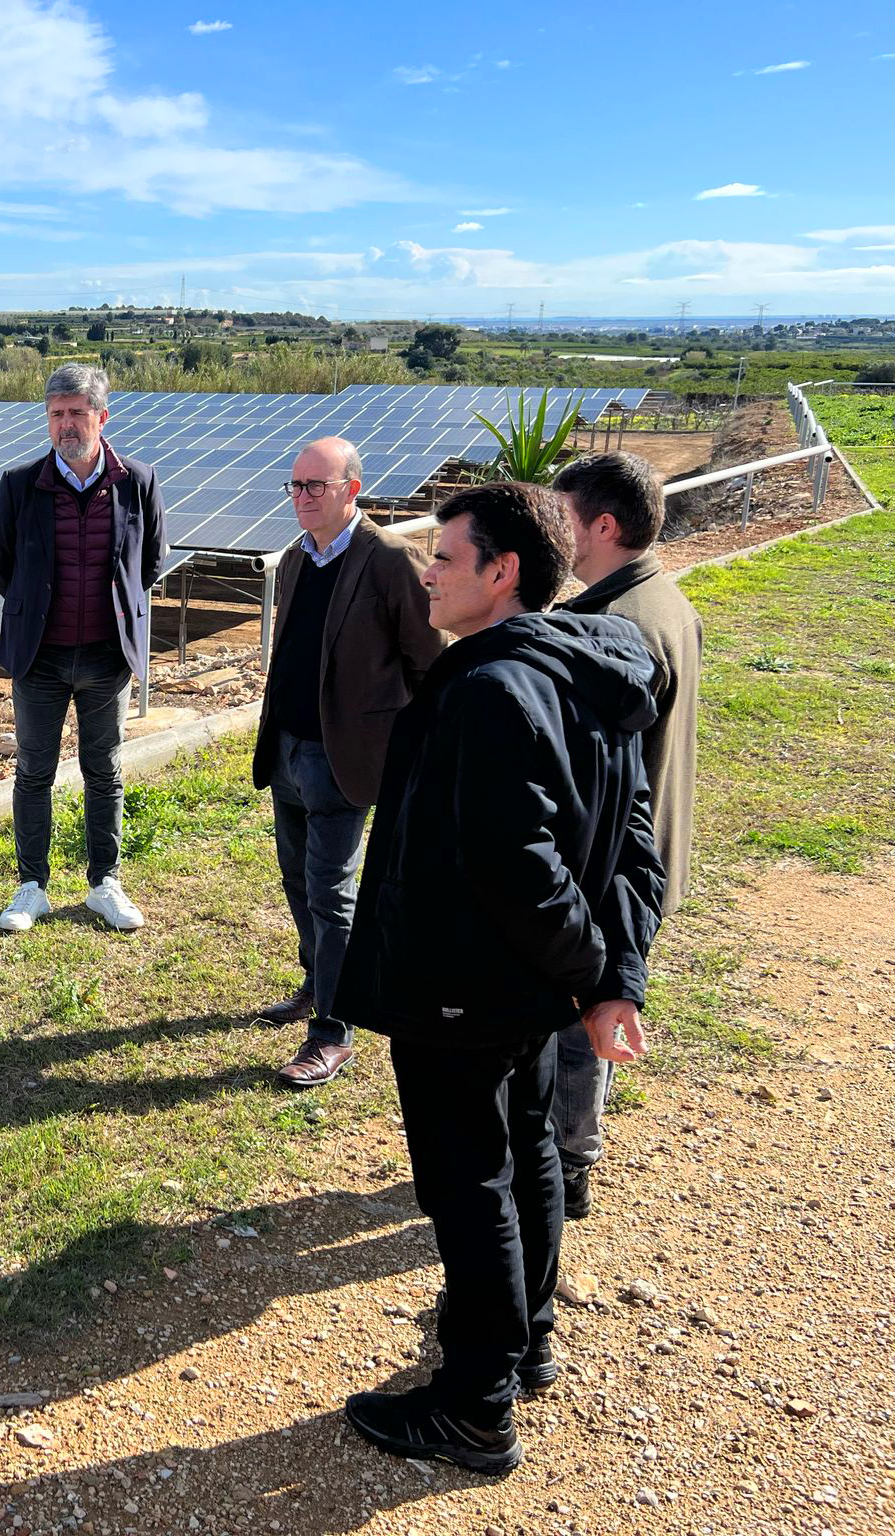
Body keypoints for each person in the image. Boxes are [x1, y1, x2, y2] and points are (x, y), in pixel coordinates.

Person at [333, 481, 665, 1474]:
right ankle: (525, 1349)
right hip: (527, 989)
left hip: (463, 987)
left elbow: (522, 870)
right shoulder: (592, 666)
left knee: (468, 1182)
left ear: (499, 572)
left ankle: (474, 1404)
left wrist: (598, 977)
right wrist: (607, 982)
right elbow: (632, 854)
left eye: (442, 557)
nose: (425, 574)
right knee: (524, 1155)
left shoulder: (487, 689)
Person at [250, 436, 445, 1088]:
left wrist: (407, 746)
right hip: (288, 750)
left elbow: (430, 662)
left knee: (333, 895)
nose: (302, 498)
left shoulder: (388, 560)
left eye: (316, 487)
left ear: (351, 490)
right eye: (296, 486)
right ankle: (318, 982)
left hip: (345, 758)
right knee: (298, 881)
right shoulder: (296, 557)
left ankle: (332, 1032)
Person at [550, 452, 703, 1220]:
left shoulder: (606, 628)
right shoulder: (667, 599)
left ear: (603, 526)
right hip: (651, 859)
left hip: (607, 872)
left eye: (564, 517)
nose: (555, 533)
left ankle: (569, 1161)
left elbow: (591, 779)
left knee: (586, 1021)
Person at [0, 363, 168, 933]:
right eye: (57, 414)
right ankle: (32, 886)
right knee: (34, 771)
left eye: (77, 413)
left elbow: (152, 560)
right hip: (40, 658)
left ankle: (104, 883)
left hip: (107, 658)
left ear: (102, 416)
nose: (66, 424)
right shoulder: (20, 485)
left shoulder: (137, 480)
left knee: (104, 772)